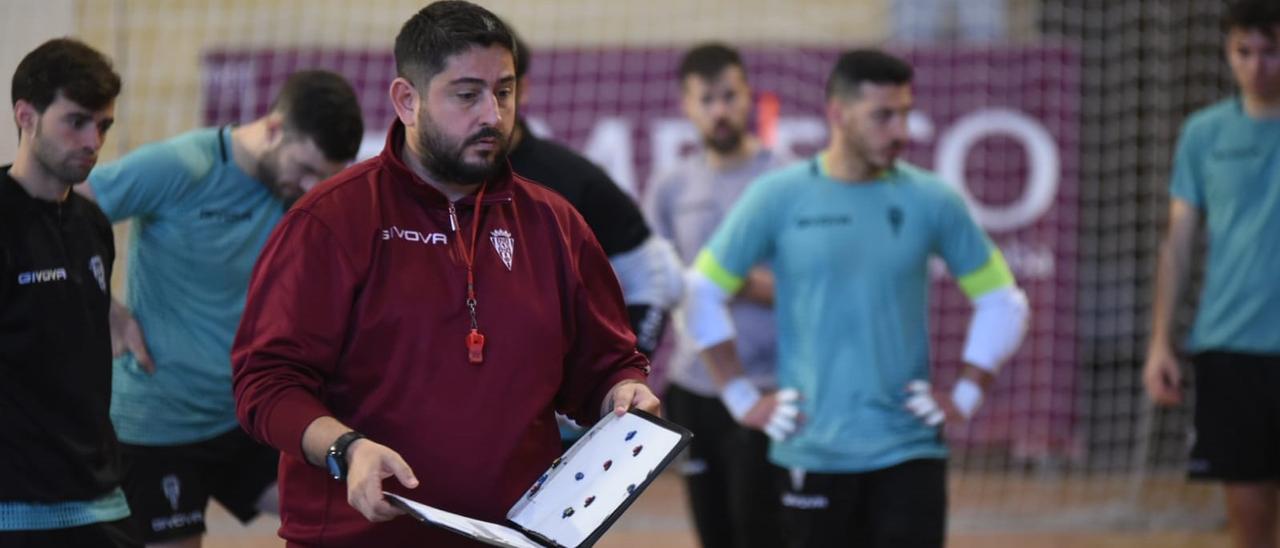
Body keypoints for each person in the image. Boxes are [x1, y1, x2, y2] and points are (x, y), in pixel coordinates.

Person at [230, 2, 660, 546]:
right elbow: (265, 385)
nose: (492, 115)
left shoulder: (554, 223)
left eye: (503, 92)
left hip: (519, 537)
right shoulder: (330, 221)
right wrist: (348, 449)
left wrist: (624, 393)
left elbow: (605, 366)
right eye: (467, 94)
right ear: (406, 101)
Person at [680, 49, 1029, 547]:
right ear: (838, 114)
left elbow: (1003, 301)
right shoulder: (777, 196)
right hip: (809, 452)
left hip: (911, 453)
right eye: (884, 115)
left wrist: (969, 392)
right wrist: (739, 396)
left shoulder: (933, 200)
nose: (901, 130)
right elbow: (700, 291)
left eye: (906, 113)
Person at [77, 70, 363, 547]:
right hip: (159, 423)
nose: (311, 186)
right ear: (274, 128)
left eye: (323, 177)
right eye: (306, 170)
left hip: (243, 416)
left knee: (351, 514)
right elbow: (62, 209)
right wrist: (104, 307)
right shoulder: (184, 165)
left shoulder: (298, 197)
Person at [643, 43, 790, 548]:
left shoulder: (786, 181)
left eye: (730, 96)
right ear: (686, 105)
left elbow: (818, 292)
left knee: (764, 531)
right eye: (707, 99)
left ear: (750, 97)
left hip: (772, 384)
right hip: (696, 387)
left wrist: (739, 283)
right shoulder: (670, 187)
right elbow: (654, 288)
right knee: (715, 533)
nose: (720, 110)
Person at [1144, 3, 1280, 547]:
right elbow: (1178, 242)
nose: (1257, 66)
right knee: (1247, 521)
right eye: (1243, 52)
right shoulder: (1203, 134)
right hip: (1230, 346)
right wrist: (1160, 343)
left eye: (1271, 51)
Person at [0, 38, 139, 547]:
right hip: (15, 509)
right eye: (76, 121)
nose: (92, 140)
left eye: (102, 126)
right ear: (26, 115)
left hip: (98, 496)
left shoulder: (92, 223)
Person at [506, 31, 683, 360]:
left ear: (523, 88)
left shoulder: (572, 179)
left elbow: (657, 274)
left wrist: (627, 368)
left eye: (501, 89)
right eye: (467, 92)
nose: (486, 106)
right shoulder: (421, 186)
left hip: (551, 403)